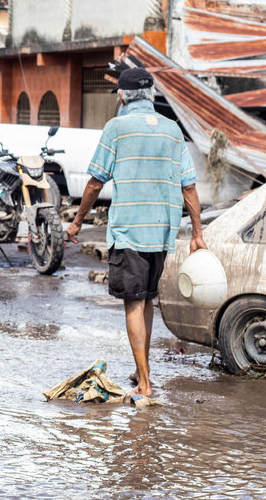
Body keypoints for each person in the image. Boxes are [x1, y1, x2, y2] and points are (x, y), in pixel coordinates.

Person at [66, 67, 207, 398]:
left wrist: (77, 222)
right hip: (161, 232)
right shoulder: (173, 131)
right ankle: (140, 367)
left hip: (129, 230)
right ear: (153, 96)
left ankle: (145, 384)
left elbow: (95, 181)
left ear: (122, 96)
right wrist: (198, 234)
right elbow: (189, 186)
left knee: (133, 303)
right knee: (146, 300)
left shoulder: (116, 128)